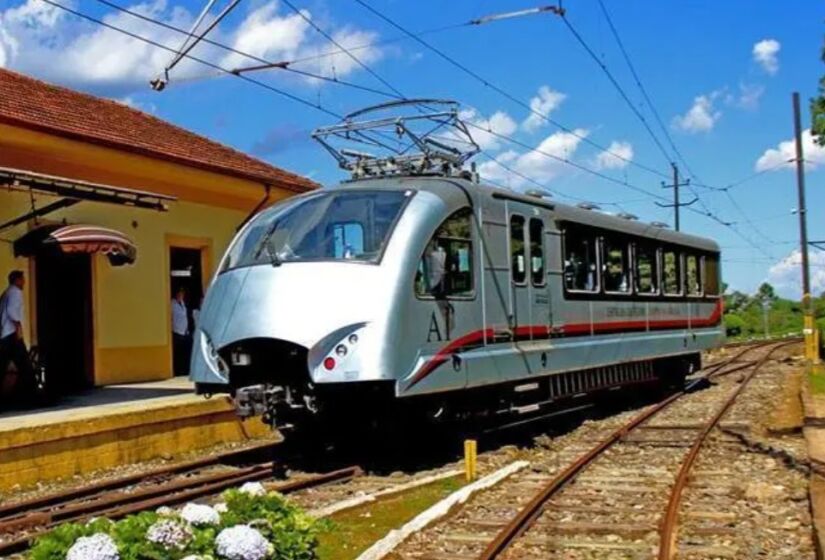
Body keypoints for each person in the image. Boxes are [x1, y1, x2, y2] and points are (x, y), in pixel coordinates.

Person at [0, 270, 36, 401]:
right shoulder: (15, 292)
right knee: (25, 365)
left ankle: (24, 393)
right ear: (17, 280)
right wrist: (18, 329)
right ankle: (31, 395)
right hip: (11, 334)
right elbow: (12, 312)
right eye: (22, 279)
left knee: (4, 364)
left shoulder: (7, 292)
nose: (24, 282)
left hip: (4, 334)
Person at [171, 286, 190, 376]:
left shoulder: (183, 303)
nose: (181, 295)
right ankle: (177, 370)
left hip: (184, 332)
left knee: (183, 353)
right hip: (176, 332)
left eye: (182, 294)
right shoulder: (172, 304)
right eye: (179, 293)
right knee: (177, 353)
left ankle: (183, 370)